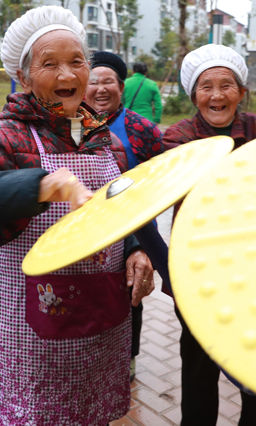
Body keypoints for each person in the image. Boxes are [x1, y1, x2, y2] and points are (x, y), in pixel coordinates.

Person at [0, 6, 156, 425]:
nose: (67, 76)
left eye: (76, 61)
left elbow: (117, 208)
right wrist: (39, 186)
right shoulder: (5, 134)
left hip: (102, 323)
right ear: (25, 77)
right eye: (50, 64)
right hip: (32, 333)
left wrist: (135, 247)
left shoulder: (103, 138)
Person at [163, 44, 256, 426]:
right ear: (193, 95)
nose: (216, 95)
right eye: (205, 86)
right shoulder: (178, 137)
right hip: (198, 266)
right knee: (198, 362)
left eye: (226, 85)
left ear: (241, 92)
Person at [85, 50, 165, 381]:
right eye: (93, 82)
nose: (100, 89)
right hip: (87, 226)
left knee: (131, 294)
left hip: (133, 226)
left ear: (121, 86)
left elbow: (158, 184)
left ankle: (127, 357)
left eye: (108, 82)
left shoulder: (141, 128)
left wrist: (145, 239)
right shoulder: (70, 124)